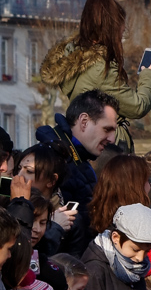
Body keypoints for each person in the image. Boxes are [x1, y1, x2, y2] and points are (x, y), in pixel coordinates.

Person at [51, 92, 123, 233]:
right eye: (107, 129)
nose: (112, 139)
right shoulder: (53, 162)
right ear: (84, 122)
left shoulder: (78, 161)